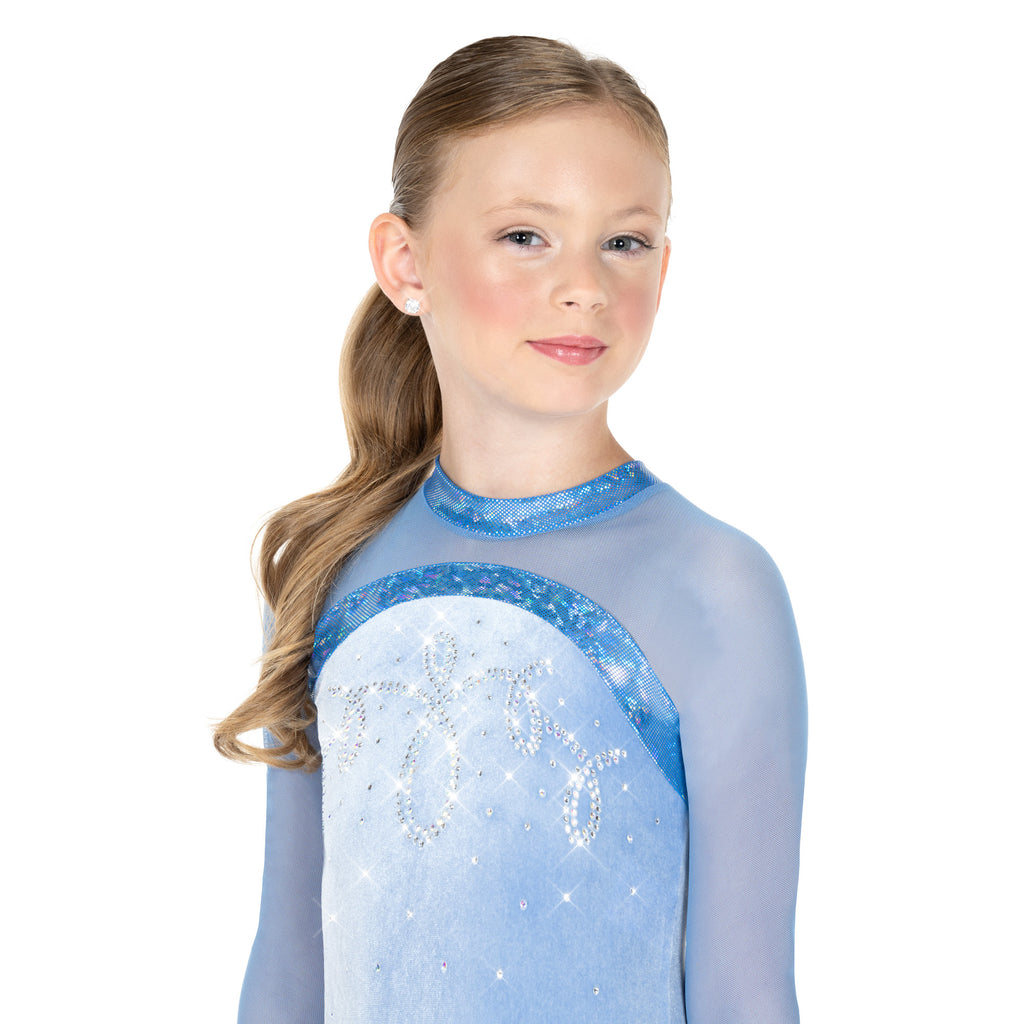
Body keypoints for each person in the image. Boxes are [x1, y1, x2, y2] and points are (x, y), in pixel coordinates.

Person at [215, 34, 807, 1024]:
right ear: (404, 262)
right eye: (526, 236)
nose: (585, 286)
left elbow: (747, 994)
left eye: (624, 241)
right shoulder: (326, 569)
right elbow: (288, 966)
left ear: (665, 265)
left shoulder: (714, 586)